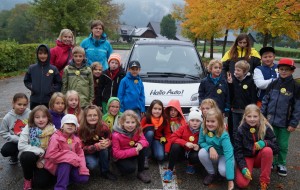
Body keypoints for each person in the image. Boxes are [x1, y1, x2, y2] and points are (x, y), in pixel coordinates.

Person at [261, 58, 300, 177]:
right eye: (281, 69)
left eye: (287, 70)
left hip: (285, 122)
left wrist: (293, 123)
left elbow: (298, 107)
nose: (283, 72)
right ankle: (272, 161)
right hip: (270, 121)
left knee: (282, 144)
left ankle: (281, 163)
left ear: (292, 71)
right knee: (270, 142)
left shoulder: (295, 87)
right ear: (278, 70)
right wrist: (262, 117)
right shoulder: (273, 84)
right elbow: (265, 101)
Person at [234, 104, 279, 190]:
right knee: (241, 184)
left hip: (260, 157)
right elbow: (238, 151)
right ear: (245, 117)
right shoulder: (240, 130)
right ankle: (244, 170)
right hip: (247, 158)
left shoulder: (265, 127)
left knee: (268, 150)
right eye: (249, 116)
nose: (252, 119)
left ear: (259, 116)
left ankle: (264, 182)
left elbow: (276, 148)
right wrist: (243, 167)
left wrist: (265, 143)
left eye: (255, 116)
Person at [44, 114, 89, 190]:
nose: (70, 126)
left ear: (75, 128)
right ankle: (60, 187)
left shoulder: (76, 139)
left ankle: (65, 180)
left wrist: (83, 168)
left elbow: (80, 155)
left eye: (73, 124)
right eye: (67, 123)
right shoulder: (55, 137)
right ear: (62, 126)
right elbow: (51, 155)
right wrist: (70, 155)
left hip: (73, 164)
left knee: (84, 178)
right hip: (56, 166)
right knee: (65, 163)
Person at [18, 105, 56, 190]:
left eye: (44, 117)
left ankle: (36, 171)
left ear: (48, 118)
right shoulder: (29, 127)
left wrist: (43, 161)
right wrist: (40, 151)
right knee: (26, 156)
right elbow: (21, 145)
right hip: (32, 156)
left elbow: (55, 150)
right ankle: (28, 178)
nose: (41, 119)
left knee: (41, 183)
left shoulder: (53, 130)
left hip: (46, 159)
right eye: (37, 117)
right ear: (33, 118)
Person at [198, 108, 234, 189]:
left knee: (223, 172)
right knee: (202, 153)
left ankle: (223, 171)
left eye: (213, 121)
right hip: (213, 154)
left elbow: (229, 155)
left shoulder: (224, 135)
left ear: (219, 122)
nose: (209, 124)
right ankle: (211, 173)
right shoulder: (203, 127)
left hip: (223, 155)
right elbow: (201, 142)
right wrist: (210, 147)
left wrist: (230, 179)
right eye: (208, 121)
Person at [163, 108, 202, 183]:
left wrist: (198, 147)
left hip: (192, 153)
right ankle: (170, 170)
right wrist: (185, 143)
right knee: (175, 146)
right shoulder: (184, 127)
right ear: (188, 121)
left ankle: (191, 164)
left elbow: (205, 142)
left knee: (197, 154)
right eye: (192, 120)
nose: (195, 123)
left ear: (201, 122)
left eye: (197, 121)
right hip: (182, 151)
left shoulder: (202, 131)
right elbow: (173, 137)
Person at [78, 105, 117, 180]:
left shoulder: (104, 127)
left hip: (102, 150)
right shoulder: (81, 129)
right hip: (88, 152)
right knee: (92, 165)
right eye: (89, 115)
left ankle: (105, 171)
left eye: (95, 115)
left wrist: (108, 142)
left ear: (99, 116)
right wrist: (95, 147)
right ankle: (98, 162)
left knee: (104, 147)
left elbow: (111, 140)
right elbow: (80, 149)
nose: (92, 117)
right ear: (85, 117)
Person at [112, 110, 151, 183]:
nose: (130, 125)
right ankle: (116, 165)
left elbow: (145, 141)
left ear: (136, 123)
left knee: (142, 147)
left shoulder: (138, 129)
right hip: (121, 157)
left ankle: (141, 172)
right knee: (130, 169)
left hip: (132, 152)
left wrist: (140, 143)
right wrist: (134, 151)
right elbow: (116, 154)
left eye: (133, 122)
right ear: (122, 123)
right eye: (127, 122)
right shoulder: (116, 135)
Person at [24, 44, 62, 110]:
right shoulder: (32, 68)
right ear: (37, 54)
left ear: (48, 54)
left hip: (48, 100)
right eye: (40, 53)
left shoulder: (53, 69)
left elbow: (59, 83)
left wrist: (51, 90)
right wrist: (32, 87)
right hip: (34, 100)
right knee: (35, 118)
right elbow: (26, 80)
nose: (42, 56)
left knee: (47, 118)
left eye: (45, 53)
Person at [227, 60, 257, 141]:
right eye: (235, 69)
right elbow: (230, 95)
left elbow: (253, 96)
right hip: (235, 110)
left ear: (245, 72)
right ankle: (236, 147)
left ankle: (245, 146)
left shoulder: (250, 81)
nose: (236, 72)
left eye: (238, 70)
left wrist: (252, 109)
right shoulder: (232, 80)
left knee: (245, 129)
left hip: (246, 111)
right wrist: (230, 84)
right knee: (235, 130)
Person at [0, 93, 31, 165]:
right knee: (5, 150)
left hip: (29, 141)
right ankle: (14, 155)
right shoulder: (7, 118)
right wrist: (15, 138)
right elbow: (3, 132)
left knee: (29, 157)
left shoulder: (30, 114)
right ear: (13, 104)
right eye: (19, 104)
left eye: (24, 105)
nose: (22, 107)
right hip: (15, 141)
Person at [141, 100, 171, 168]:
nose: (157, 111)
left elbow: (168, 135)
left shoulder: (164, 120)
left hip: (157, 139)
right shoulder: (146, 118)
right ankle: (145, 157)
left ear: (162, 110)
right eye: (155, 108)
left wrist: (167, 150)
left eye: (159, 109)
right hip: (146, 139)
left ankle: (151, 151)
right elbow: (139, 131)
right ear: (151, 109)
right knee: (150, 133)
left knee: (160, 157)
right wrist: (149, 127)